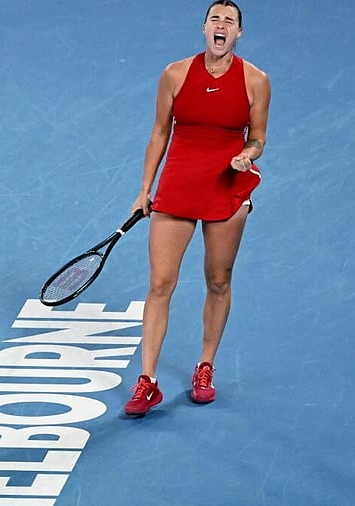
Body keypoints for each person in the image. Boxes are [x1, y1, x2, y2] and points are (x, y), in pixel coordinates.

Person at [125, 0, 271, 416]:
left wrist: (248, 153)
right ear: (204, 28)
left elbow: (258, 137)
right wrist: (144, 189)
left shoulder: (256, 81)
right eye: (215, 19)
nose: (221, 26)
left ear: (239, 33)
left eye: (230, 21)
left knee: (218, 280)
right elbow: (159, 132)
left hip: (227, 184)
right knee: (160, 283)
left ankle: (205, 366)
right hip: (179, 183)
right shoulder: (175, 74)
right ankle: (147, 380)